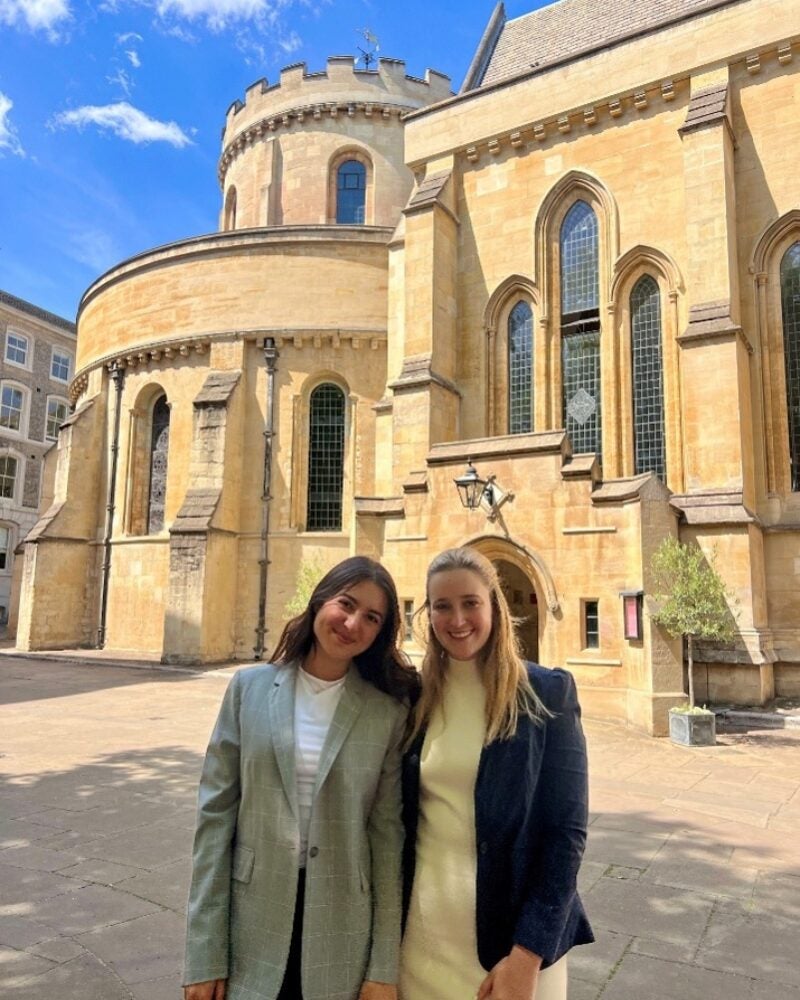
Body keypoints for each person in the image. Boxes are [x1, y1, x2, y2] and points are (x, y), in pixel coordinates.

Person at [184, 556, 418, 1000]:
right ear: (320, 601)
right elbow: (214, 821)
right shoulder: (248, 689)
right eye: (346, 604)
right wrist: (204, 954)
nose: (353, 623)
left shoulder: (386, 710)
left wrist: (383, 966)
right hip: (251, 920)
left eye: (372, 618)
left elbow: (387, 836)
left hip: (343, 926)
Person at [399, 547, 593, 1000]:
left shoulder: (547, 693)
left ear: (494, 607)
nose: (457, 619)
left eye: (470, 603)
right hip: (423, 940)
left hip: (513, 949)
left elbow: (566, 834)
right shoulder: (415, 697)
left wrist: (528, 954)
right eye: (442, 606)